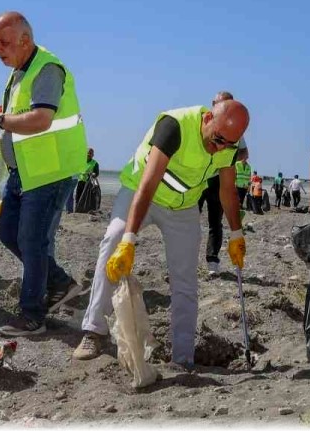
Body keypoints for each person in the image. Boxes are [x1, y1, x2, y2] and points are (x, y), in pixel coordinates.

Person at [73, 100, 250, 366]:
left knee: (185, 278)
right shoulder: (175, 125)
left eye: (229, 144)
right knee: (113, 240)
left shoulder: (228, 144)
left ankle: (183, 357)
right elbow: (148, 183)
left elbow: (227, 190)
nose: (221, 147)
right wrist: (130, 240)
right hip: (141, 192)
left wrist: (236, 234)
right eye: (218, 139)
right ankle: (94, 330)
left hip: (182, 206)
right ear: (208, 118)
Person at [0, 11, 89, 336]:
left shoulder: (46, 68)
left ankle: (32, 316)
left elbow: (41, 119)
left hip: (51, 170)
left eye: (3, 42)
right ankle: (61, 284)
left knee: (31, 240)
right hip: (24, 171)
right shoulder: (19, 72)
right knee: (8, 233)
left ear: (25, 40)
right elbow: (18, 112)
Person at [198, 91, 249, 275]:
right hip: (198, 180)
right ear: (214, 104)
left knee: (215, 222)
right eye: (222, 103)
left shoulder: (234, 129)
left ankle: (212, 261)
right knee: (188, 220)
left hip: (219, 181)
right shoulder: (203, 121)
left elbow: (244, 153)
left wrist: (229, 161)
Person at [71, 148, 100, 213]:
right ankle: (77, 209)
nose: (89, 154)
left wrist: (93, 174)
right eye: (88, 153)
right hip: (80, 181)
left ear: (93, 155)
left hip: (88, 183)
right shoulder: (81, 161)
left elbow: (97, 173)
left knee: (87, 197)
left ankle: (86, 209)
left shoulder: (95, 163)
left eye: (90, 153)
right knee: (78, 196)